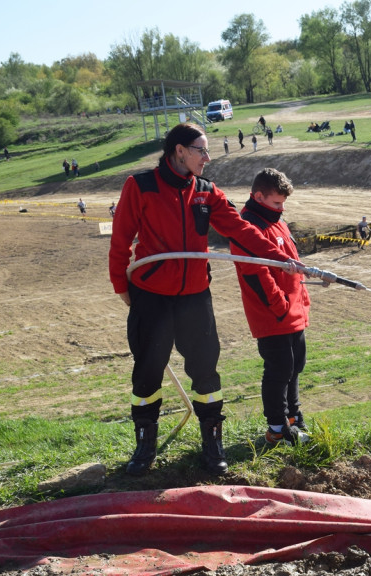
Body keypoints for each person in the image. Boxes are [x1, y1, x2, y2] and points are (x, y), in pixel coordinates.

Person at [108, 123, 297, 476]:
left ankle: (212, 445)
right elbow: (120, 241)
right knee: (147, 374)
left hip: (195, 298)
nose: (207, 158)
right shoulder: (141, 185)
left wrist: (279, 257)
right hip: (152, 298)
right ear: (179, 151)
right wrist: (122, 285)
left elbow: (241, 229)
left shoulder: (207, 191)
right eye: (201, 150)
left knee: (206, 373)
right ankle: (145, 447)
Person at [231, 168, 311, 447]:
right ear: (258, 196)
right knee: (280, 369)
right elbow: (256, 275)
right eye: (277, 202)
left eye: (283, 203)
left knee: (296, 365)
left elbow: (292, 261)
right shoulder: (248, 227)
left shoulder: (277, 221)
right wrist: (281, 307)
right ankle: (277, 428)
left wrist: (301, 300)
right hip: (273, 313)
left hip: (293, 310)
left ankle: (294, 418)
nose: (282, 208)